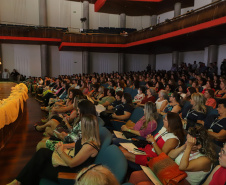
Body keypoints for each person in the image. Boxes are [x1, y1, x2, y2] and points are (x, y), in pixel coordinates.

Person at [7, 114, 100, 185]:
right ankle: (18, 181)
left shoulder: (90, 145)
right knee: (42, 153)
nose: (79, 127)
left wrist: (60, 151)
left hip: (72, 172)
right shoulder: (87, 138)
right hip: (69, 162)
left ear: (87, 127)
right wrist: (64, 146)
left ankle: (19, 181)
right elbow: (77, 145)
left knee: (39, 166)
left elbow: (72, 163)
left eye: (81, 125)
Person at [119, 112, 185, 167]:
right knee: (120, 148)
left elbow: (161, 156)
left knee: (122, 153)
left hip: (152, 158)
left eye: (165, 120)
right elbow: (154, 141)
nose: (163, 121)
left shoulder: (173, 139)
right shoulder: (165, 129)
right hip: (146, 150)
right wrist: (150, 139)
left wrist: (153, 141)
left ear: (171, 123)